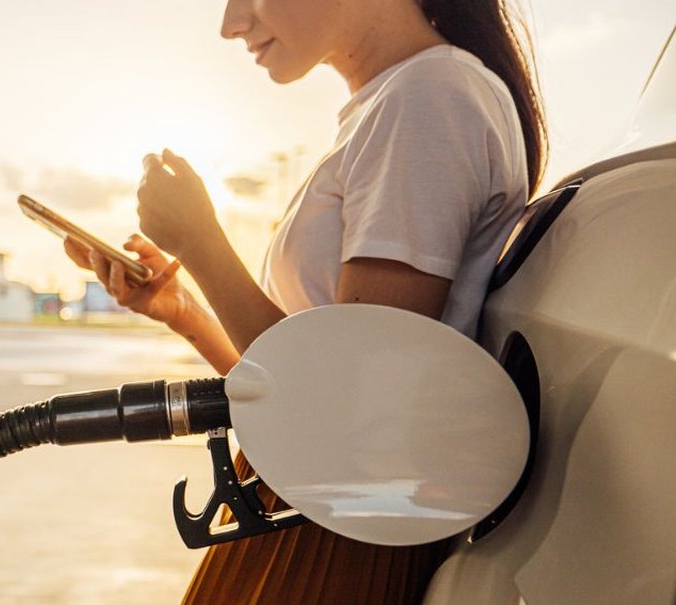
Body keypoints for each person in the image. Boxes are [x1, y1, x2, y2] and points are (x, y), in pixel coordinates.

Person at [64, 0, 544, 602]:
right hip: (310, 504)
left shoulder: (429, 96)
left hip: (331, 529)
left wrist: (203, 243)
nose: (231, 24)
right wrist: (185, 311)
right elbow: (293, 394)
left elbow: (344, 402)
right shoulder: (396, 101)